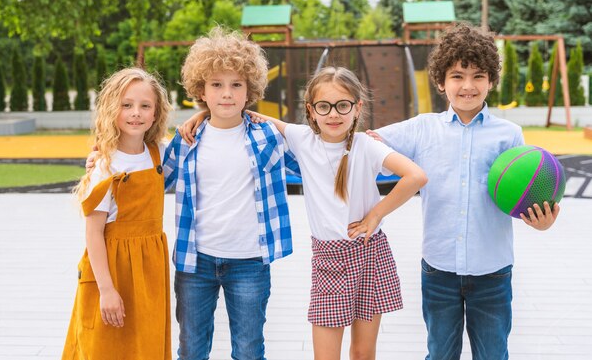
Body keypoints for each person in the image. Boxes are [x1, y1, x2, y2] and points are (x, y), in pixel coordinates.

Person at [369, 23, 560, 360]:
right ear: (441, 82)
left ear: (491, 81)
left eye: (478, 76)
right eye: (457, 76)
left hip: (493, 273)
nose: (468, 86)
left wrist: (541, 221)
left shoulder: (510, 135)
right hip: (438, 271)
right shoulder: (421, 129)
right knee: (440, 355)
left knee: (493, 355)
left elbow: (525, 195)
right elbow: (369, 147)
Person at [239, 66, 428, 359]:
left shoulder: (367, 146)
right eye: (324, 106)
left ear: (357, 108)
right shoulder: (302, 139)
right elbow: (253, 117)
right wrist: (201, 115)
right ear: (311, 110)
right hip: (329, 259)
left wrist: (376, 215)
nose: (333, 114)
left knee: (363, 353)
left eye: (343, 105)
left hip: (369, 253)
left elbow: (416, 176)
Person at [163, 27, 299, 360]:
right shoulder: (187, 139)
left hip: (249, 262)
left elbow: (315, 157)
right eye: (217, 85)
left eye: (236, 84)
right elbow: (153, 178)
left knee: (249, 350)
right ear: (201, 90)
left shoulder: (267, 135)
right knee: (192, 349)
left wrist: (370, 158)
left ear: (250, 89)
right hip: (196, 263)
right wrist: (103, 155)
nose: (227, 94)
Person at [63, 68, 173, 359]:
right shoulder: (105, 166)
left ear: (156, 113)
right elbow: (94, 232)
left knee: (144, 345)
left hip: (148, 271)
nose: (136, 113)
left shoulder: (159, 154)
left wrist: (200, 116)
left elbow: (196, 138)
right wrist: (107, 290)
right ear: (113, 109)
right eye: (127, 105)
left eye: (145, 106)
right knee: (104, 345)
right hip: (111, 269)